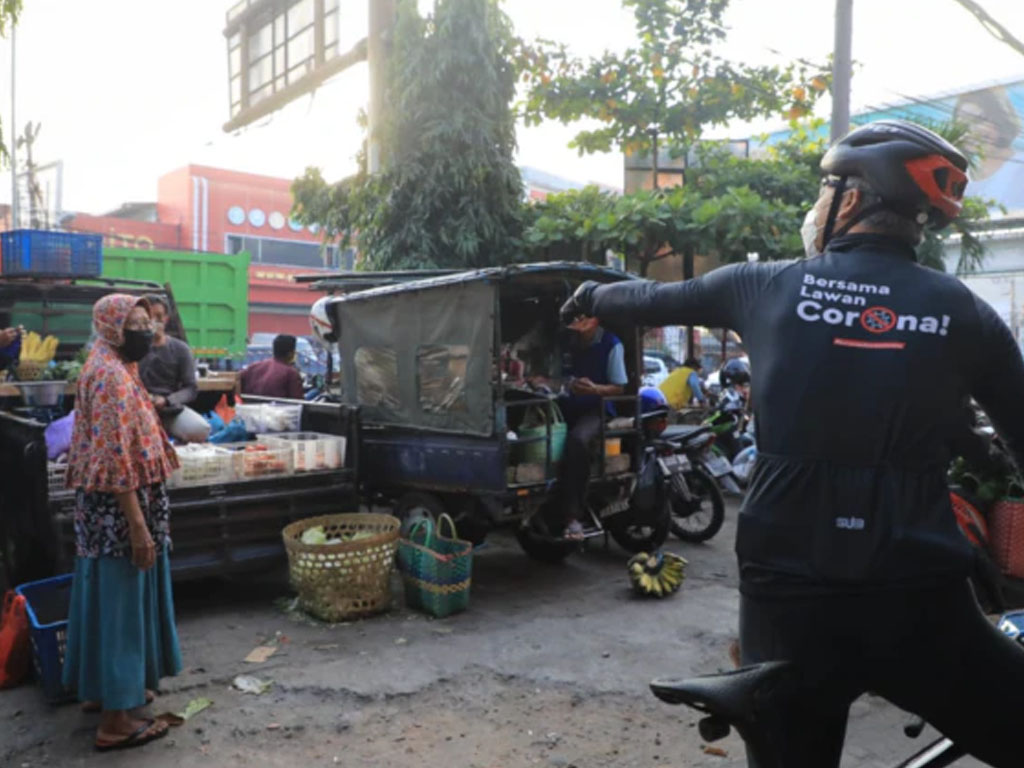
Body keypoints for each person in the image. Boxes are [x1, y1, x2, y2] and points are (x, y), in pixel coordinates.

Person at [560, 119, 1024, 767]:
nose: (817, 208)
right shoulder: (964, 311)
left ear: (853, 199)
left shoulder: (766, 284)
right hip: (918, 595)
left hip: (785, 596)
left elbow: (654, 298)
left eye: (825, 190)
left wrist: (590, 294)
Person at [62, 294, 182, 752]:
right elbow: (115, 459)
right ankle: (116, 721)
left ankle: (111, 690)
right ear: (112, 326)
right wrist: (137, 525)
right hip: (120, 508)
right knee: (121, 604)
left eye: (148, 321)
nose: (147, 331)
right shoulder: (111, 374)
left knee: (110, 598)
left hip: (115, 502)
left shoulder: (110, 361)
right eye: (135, 322)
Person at [556, 314, 628, 540]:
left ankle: (573, 516)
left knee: (577, 441)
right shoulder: (568, 342)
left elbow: (619, 387)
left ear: (595, 320)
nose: (576, 323)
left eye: (581, 319)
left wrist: (595, 388)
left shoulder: (611, 344)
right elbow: (560, 374)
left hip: (596, 410)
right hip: (566, 406)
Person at [138, 295, 210, 444]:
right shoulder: (134, 349)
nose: (154, 321)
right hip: (138, 410)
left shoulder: (180, 349)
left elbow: (191, 389)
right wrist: (146, 344)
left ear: (166, 319)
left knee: (199, 429)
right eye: (149, 317)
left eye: (159, 316)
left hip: (170, 410)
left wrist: (167, 400)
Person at [239, 333, 304, 400]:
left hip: (249, 408)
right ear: (290, 354)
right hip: (278, 409)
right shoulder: (291, 373)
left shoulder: (253, 367)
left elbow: (236, 382)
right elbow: (298, 402)